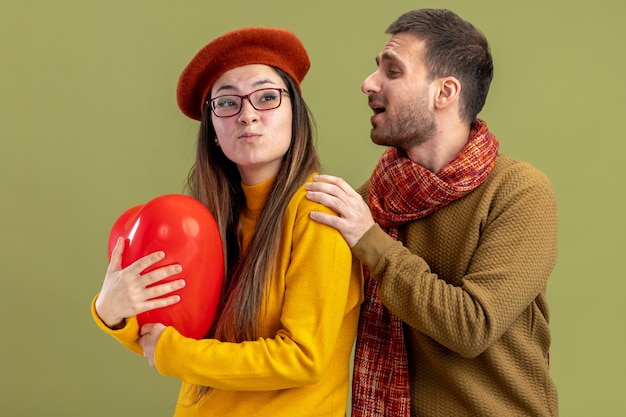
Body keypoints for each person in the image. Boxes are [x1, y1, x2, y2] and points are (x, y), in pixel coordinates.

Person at [92, 27, 363, 416]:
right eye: (227, 103)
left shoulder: (319, 212)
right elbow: (168, 338)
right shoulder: (207, 220)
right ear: (214, 130)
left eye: (267, 97)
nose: (248, 115)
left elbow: (304, 358)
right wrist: (111, 311)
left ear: (295, 113)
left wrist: (172, 352)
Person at [305, 8, 559, 417]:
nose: (368, 83)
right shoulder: (372, 202)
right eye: (377, 69)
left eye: (393, 70)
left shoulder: (520, 191)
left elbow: (471, 326)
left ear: (445, 92)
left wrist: (370, 240)